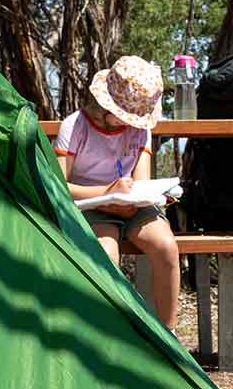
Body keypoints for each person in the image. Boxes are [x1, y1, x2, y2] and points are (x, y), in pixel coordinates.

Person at [55, 55, 182, 328]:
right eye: (126, 117)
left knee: (166, 247)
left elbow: (141, 180)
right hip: (90, 207)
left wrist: (134, 198)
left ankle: (168, 337)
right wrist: (106, 193)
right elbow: (57, 184)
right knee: (106, 254)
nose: (133, 124)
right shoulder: (75, 126)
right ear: (104, 106)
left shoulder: (140, 129)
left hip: (131, 205)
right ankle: (107, 334)